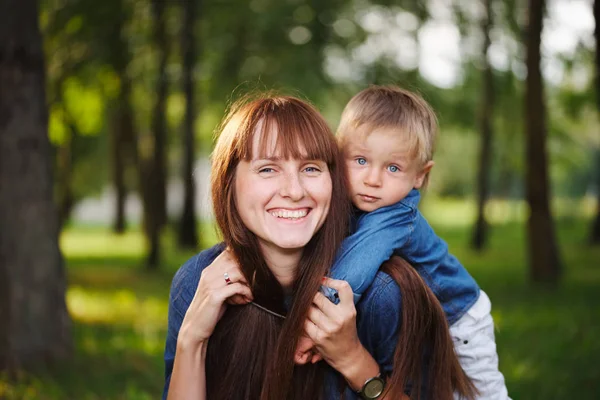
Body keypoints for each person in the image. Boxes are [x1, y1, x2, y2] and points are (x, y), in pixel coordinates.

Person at [162, 93, 475, 399]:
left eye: (310, 168)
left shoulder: (382, 295)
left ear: (333, 178)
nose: (294, 191)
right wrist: (192, 339)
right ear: (230, 182)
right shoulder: (198, 283)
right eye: (268, 169)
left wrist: (354, 361)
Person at [298, 85, 509, 399]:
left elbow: (351, 272)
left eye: (393, 167)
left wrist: (309, 328)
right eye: (360, 160)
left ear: (420, 176)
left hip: (462, 318)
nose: (373, 179)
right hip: (421, 316)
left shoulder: (397, 213)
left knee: (482, 394)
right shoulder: (356, 200)